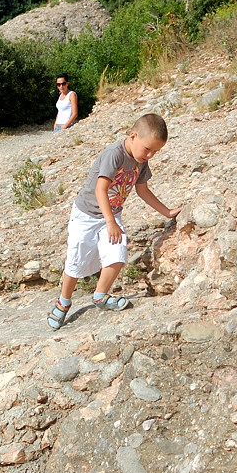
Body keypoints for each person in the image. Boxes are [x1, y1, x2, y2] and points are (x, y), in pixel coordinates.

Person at [46, 113, 182, 330]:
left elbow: (143, 190)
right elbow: (101, 189)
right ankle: (64, 302)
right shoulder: (114, 155)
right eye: (148, 148)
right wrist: (110, 222)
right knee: (76, 261)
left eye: (156, 151)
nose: (150, 155)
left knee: (117, 254)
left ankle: (100, 296)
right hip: (87, 215)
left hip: (111, 215)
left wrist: (167, 212)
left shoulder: (141, 161)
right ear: (133, 136)